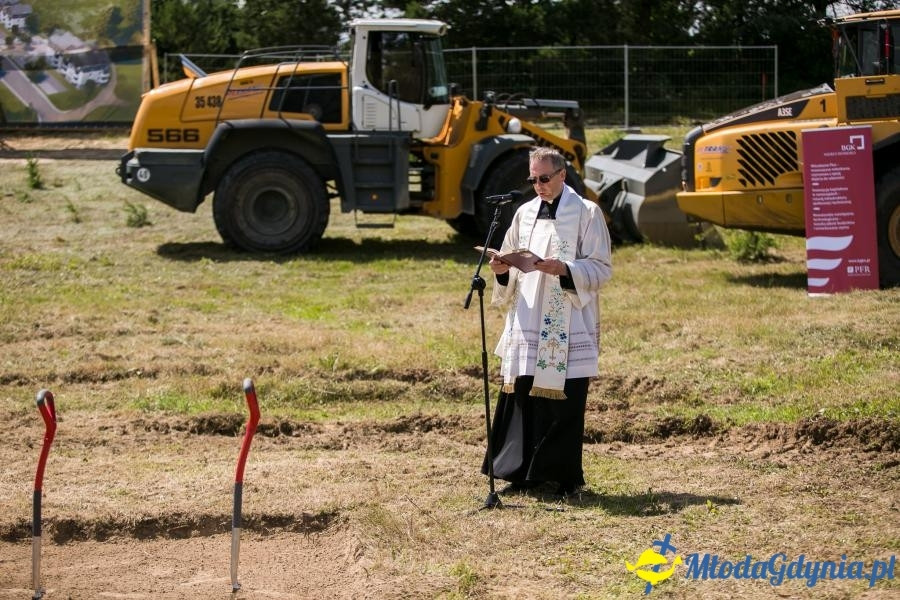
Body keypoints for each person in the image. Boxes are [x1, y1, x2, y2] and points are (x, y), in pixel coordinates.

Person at [482, 147, 612, 496]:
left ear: (562, 175)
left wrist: (566, 268)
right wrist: (501, 269)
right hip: (527, 317)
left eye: (544, 178)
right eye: (533, 179)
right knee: (523, 392)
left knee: (561, 400)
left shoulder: (587, 213)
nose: (538, 185)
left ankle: (559, 477)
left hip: (567, 320)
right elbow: (509, 256)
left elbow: (602, 268)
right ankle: (521, 474)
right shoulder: (523, 214)